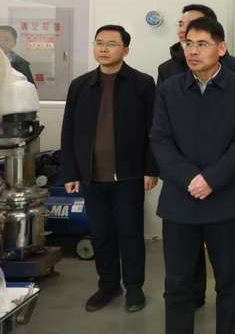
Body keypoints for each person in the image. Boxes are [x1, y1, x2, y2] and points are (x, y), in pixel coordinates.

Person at [150, 17, 235, 334]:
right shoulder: (169, 89)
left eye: (202, 44)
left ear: (221, 48)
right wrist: (189, 178)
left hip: (224, 200)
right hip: (179, 202)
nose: (193, 51)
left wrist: (211, 179)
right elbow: (160, 139)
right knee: (178, 283)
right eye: (188, 43)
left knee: (229, 281)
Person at [60, 25, 158, 313]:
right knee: (101, 234)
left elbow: (154, 129)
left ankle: (135, 288)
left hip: (129, 175)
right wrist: (70, 172)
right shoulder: (80, 85)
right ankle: (108, 286)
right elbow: (69, 130)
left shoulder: (142, 83)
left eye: (112, 43)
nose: (103, 48)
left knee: (130, 233)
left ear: (125, 49)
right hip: (92, 176)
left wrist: (151, 168)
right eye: (99, 42)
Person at [157, 4, 235, 84]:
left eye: (192, 24)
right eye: (180, 24)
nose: (182, 30)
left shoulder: (233, 65)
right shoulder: (166, 69)